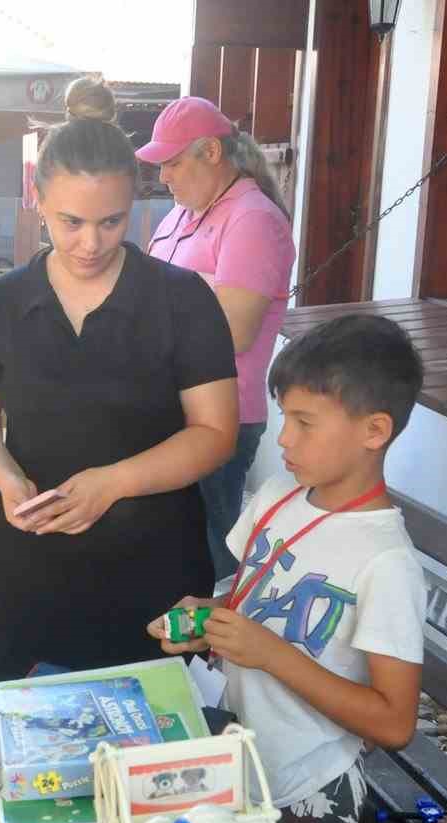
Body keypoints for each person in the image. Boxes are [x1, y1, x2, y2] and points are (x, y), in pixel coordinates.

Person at [0, 78, 238, 684]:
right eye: (70, 221)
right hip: (31, 564)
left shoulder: (181, 300)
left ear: (135, 202)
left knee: (155, 753)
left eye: (111, 222)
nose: (90, 243)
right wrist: (7, 479)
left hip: (154, 564)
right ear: (37, 198)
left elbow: (215, 432)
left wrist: (112, 484)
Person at [149, 314, 426, 823]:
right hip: (238, 760)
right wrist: (208, 615)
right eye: (283, 418)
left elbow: (395, 722)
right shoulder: (280, 495)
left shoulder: (385, 562)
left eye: (304, 423)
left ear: (374, 430)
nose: (282, 439)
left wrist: (271, 655)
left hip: (306, 793)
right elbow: (249, 595)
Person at [138, 97, 297, 584]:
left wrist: (172, 302)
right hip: (170, 408)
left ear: (211, 152)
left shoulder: (251, 218)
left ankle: (211, 655)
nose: (163, 177)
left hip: (217, 414)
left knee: (207, 557)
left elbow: (233, 331)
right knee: (167, 548)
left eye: (171, 162)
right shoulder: (181, 215)